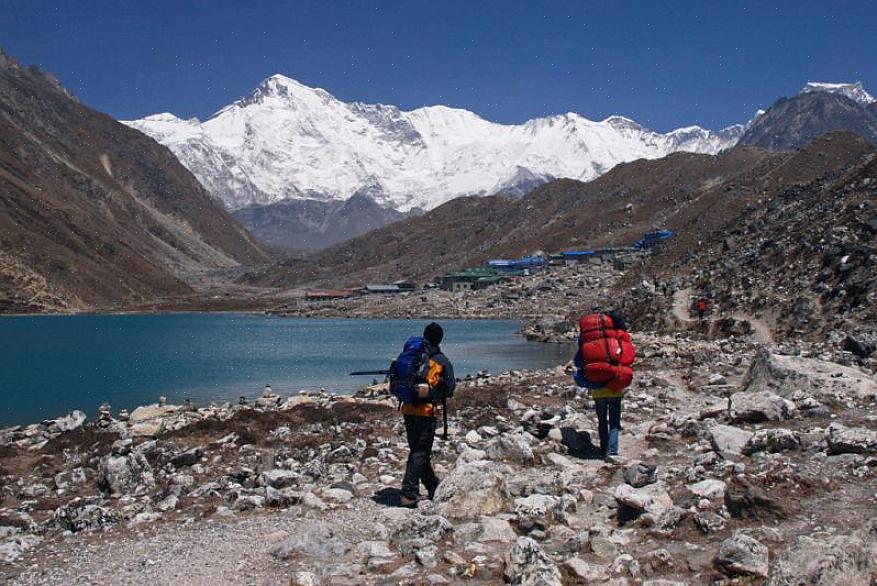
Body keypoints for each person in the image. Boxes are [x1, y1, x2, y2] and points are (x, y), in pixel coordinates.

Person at [399, 322, 456, 507]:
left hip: (407, 409)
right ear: (440, 339)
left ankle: (432, 486)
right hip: (426, 412)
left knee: (418, 452)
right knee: (420, 452)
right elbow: (449, 388)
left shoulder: (413, 355)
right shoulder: (441, 360)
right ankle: (409, 493)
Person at [573, 308, 636, 464]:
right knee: (614, 422)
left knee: (602, 420)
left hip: (598, 389)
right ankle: (612, 452)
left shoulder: (590, 341)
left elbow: (579, 362)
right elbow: (628, 358)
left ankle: (603, 448)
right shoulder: (618, 339)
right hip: (615, 388)